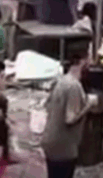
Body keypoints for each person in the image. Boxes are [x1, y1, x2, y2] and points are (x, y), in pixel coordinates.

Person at [41, 50, 95, 178]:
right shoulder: (73, 86)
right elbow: (70, 118)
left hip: (52, 142)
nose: (91, 64)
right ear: (82, 61)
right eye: (89, 59)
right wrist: (89, 105)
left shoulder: (62, 81)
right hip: (64, 147)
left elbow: (47, 106)